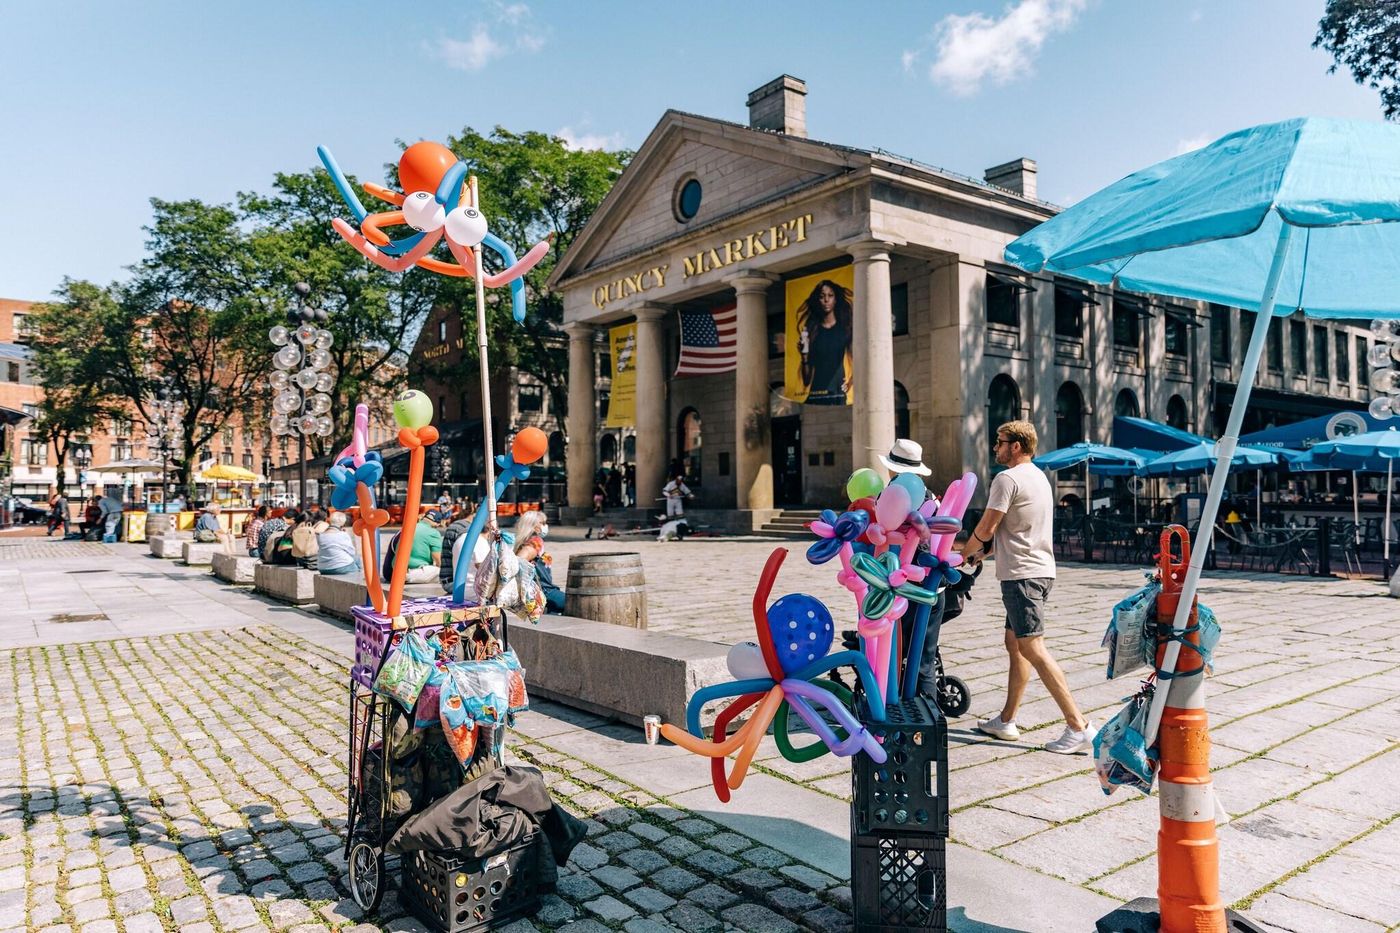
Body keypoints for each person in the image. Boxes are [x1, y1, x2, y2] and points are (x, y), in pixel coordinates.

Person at [963, 420, 1096, 755]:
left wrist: (967, 549)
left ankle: (1078, 726)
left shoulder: (1006, 479)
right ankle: (1006, 720)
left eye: (1000, 442)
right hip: (1039, 571)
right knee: (1016, 644)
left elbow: (989, 523)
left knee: (1033, 648)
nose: (996, 447)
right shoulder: (1038, 477)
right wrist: (986, 551)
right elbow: (1018, 529)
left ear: (1016, 446)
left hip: (1021, 576)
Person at [796, 279, 854, 405]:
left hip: (837, 393)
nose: (826, 300)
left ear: (836, 299)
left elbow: (859, 358)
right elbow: (806, 380)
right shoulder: (812, 331)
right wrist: (804, 356)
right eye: (822, 296)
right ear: (817, 300)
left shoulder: (845, 328)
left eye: (830, 296)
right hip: (817, 394)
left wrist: (851, 381)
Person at [513, 510, 564, 612]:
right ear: (533, 526)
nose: (545, 526)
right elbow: (518, 561)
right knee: (577, 603)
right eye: (543, 523)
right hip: (544, 591)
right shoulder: (535, 542)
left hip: (543, 590)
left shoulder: (524, 542)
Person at [405, 509, 447, 584]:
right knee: (445, 572)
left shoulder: (409, 527)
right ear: (437, 523)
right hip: (415, 572)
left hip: (397, 570)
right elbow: (438, 559)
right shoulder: (433, 533)